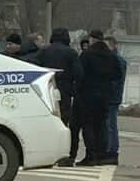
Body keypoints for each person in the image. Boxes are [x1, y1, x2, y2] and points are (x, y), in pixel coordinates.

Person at [35, 28, 83, 167]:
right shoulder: (71, 53)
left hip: (44, 91)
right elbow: (79, 74)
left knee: (45, 123)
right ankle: (64, 156)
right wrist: (73, 90)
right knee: (63, 123)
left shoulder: (43, 51)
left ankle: (43, 155)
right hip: (64, 92)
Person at [77, 30, 122, 166]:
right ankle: (101, 154)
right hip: (105, 95)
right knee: (102, 125)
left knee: (88, 125)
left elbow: (79, 74)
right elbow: (118, 74)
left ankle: (91, 155)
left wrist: (79, 89)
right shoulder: (111, 55)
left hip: (88, 95)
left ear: (92, 39)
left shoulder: (87, 54)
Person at [103, 36, 128, 164]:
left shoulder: (117, 60)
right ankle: (110, 149)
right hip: (113, 96)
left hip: (112, 97)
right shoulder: (114, 59)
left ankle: (112, 150)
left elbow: (115, 80)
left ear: (113, 46)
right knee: (109, 124)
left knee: (110, 125)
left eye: (106, 46)